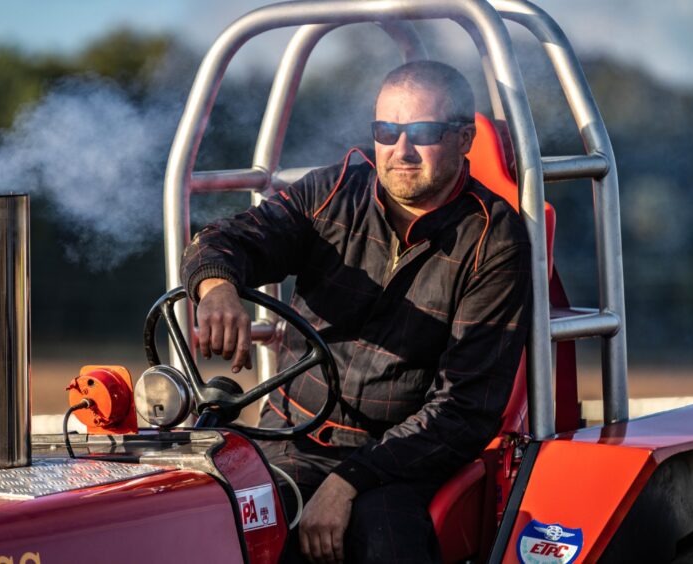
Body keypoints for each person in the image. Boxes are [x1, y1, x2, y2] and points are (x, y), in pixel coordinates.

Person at [180, 60, 531, 563]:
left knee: (385, 545)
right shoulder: (332, 192)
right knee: (199, 520)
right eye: (386, 131)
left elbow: (464, 410)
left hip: (398, 462)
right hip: (288, 439)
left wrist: (348, 481)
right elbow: (224, 239)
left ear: (463, 138)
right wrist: (216, 289)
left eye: (423, 132)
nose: (400, 150)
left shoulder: (494, 239)